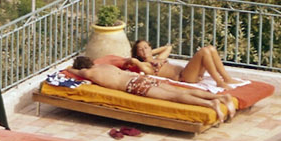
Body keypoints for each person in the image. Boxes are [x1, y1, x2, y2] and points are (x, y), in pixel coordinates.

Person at [70, 55, 236, 122]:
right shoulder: (105, 66)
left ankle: (211, 104)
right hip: (141, 79)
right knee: (180, 91)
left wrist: (72, 69)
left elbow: (73, 71)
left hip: (133, 85)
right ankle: (220, 97)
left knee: (174, 97)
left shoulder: (88, 72)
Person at [131, 38, 238, 95]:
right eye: (141, 49)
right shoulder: (146, 66)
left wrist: (150, 53)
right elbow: (133, 60)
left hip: (193, 74)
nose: (144, 50)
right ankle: (219, 82)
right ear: (137, 53)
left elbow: (168, 47)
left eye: (146, 47)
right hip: (184, 77)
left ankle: (227, 78)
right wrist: (143, 57)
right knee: (204, 51)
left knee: (211, 48)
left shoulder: (159, 58)